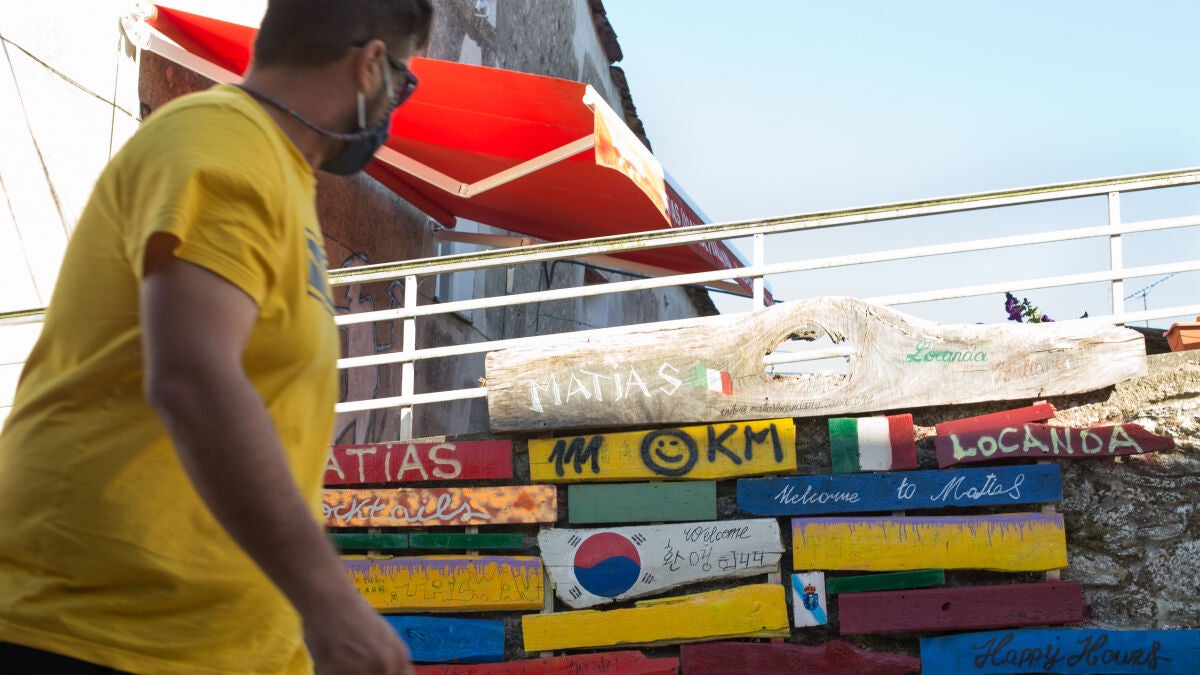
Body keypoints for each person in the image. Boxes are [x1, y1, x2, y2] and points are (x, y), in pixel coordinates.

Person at [0, 1, 433, 673]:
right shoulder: (225, 142)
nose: (393, 105)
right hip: (96, 633)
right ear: (371, 65)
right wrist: (332, 604)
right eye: (402, 82)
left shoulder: (277, 174)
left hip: (212, 647)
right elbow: (194, 377)